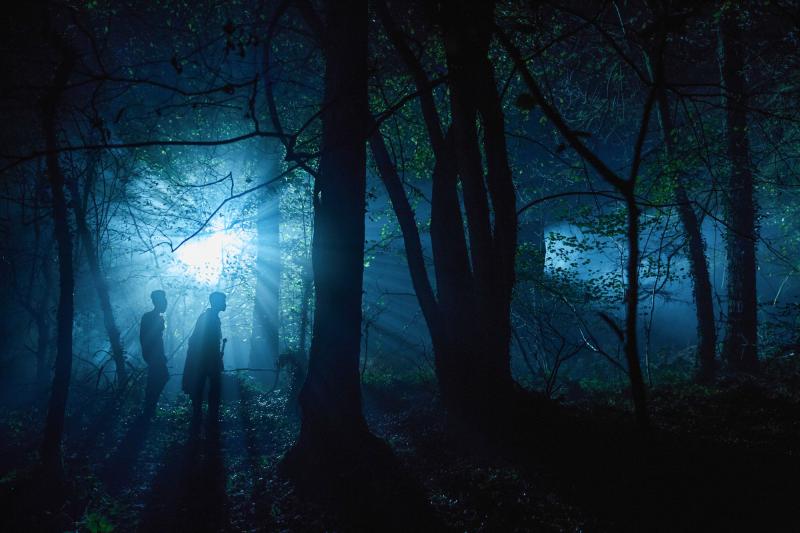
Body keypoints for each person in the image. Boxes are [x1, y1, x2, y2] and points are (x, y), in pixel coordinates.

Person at [183, 292, 227, 422]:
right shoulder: (209, 318)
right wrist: (215, 359)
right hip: (205, 360)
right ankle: (205, 419)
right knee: (207, 388)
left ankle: (203, 419)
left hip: (206, 360)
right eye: (223, 301)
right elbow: (204, 342)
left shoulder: (210, 317)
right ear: (216, 302)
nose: (225, 304)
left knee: (205, 388)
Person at [140, 290, 169, 415]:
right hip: (154, 355)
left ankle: (149, 408)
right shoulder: (150, 317)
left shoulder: (156, 317)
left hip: (155, 354)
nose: (166, 303)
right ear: (157, 302)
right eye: (164, 301)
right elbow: (145, 337)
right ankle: (149, 408)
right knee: (159, 378)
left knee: (158, 378)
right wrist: (151, 355)